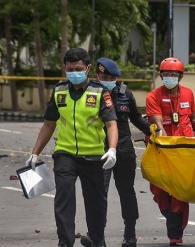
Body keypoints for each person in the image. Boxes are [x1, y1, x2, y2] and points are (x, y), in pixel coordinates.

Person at [25, 48, 118, 247]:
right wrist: (35, 153)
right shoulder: (59, 91)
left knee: (96, 203)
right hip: (65, 154)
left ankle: (97, 240)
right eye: (70, 69)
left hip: (94, 156)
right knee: (64, 199)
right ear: (65, 68)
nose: (74, 72)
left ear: (87, 68)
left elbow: (111, 124)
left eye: (78, 68)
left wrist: (112, 149)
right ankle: (65, 242)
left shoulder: (100, 92)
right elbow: (49, 124)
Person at [145, 57, 195, 246]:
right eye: (166, 74)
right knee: (159, 191)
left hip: (185, 151)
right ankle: (172, 220)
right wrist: (160, 132)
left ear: (180, 76)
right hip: (162, 150)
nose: (170, 77)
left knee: (180, 192)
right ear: (161, 75)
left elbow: (192, 120)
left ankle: (175, 235)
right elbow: (156, 119)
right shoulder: (153, 96)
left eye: (174, 74)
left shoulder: (188, 94)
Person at [80, 58, 151, 247]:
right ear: (96, 76)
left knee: (127, 192)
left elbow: (135, 117)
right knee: (98, 194)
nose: (109, 80)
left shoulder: (124, 93)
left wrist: (152, 131)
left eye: (112, 77)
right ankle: (97, 237)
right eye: (105, 76)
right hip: (98, 152)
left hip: (124, 151)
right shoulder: (89, 94)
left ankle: (130, 235)